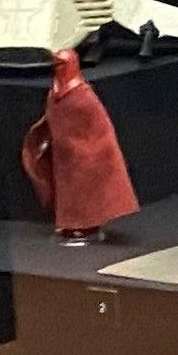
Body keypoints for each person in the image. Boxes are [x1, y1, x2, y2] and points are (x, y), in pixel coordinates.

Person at [18, 51, 138, 244]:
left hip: (85, 156)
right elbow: (52, 118)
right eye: (56, 65)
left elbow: (101, 126)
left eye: (62, 65)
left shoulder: (83, 94)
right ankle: (70, 224)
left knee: (84, 194)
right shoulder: (54, 93)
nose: (58, 69)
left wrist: (97, 150)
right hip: (63, 156)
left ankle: (86, 225)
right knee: (67, 194)